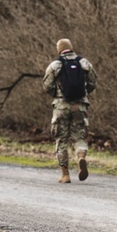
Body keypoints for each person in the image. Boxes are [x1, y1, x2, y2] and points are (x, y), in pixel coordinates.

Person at [42, 38, 97, 183]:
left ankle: (65, 174)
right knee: (79, 136)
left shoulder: (55, 65)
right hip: (80, 105)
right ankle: (80, 157)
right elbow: (92, 83)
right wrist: (82, 94)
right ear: (71, 48)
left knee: (61, 140)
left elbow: (47, 86)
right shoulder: (84, 63)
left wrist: (58, 95)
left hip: (61, 106)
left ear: (59, 49)